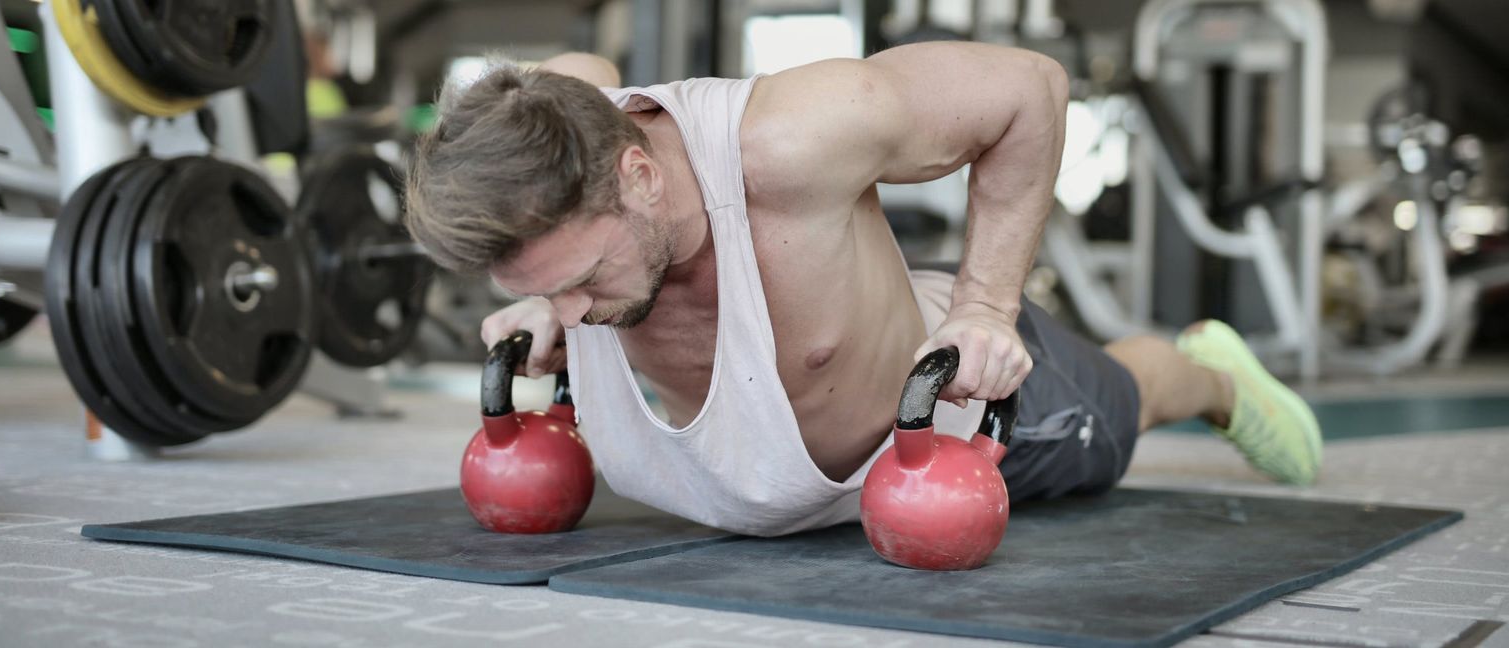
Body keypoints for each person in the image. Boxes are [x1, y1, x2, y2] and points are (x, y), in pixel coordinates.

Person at [404, 45, 1322, 536]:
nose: (573, 315)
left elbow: (1030, 90)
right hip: (775, 476)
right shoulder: (564, 134)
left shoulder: (795, 137)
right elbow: (575, 73)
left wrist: (986, 311)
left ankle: (1212, 372)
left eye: (583, 280)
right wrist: (547, 292)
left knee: (1122, 407)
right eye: (547, 290)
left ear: (641, 177)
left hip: (940, 420)